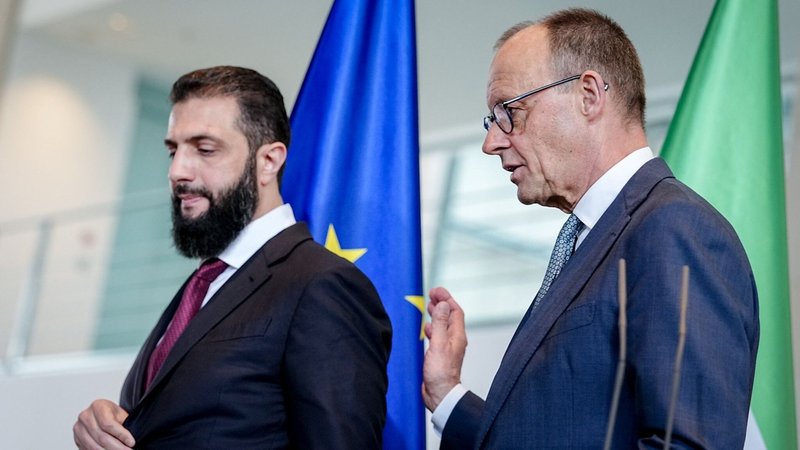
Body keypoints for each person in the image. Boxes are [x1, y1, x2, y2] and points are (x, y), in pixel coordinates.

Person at [422, 8, 758, 449]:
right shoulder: (593, 239)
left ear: (588, 95)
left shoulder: (675, 230)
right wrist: (447, 394)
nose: (492, 142)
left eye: (509, 111)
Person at [73, 66, 392, 449]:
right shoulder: (205, 282)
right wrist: (105, 425)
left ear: (269, 161)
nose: (177, 171)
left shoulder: (322, 284)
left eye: (205, 149)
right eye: (174, 150)